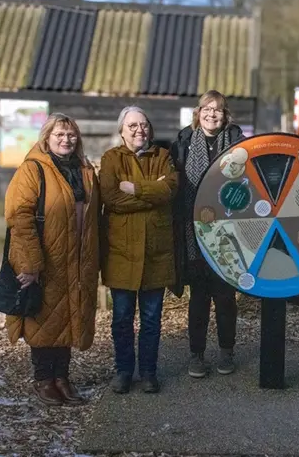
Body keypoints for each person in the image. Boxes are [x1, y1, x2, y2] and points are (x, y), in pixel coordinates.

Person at [3, 113, 100, 407]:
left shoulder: (85, 171)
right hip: (47, 259)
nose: (65, 140)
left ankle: (62, 378)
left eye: (71, 135)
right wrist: (30, 265)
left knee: (69, 317)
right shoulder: (33, 170)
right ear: (46, 138)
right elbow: (19, 218)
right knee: (44, 320)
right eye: (59, 134)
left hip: (77, 259)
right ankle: (44, 379)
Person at [100, 106, 178, 394]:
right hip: (121, 252)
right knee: (121, 318)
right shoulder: (111, 159)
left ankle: (148, 372)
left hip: (156, 253)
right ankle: (123, 371)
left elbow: (170, 190)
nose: (139, 130)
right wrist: (151, 193)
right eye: (132, 125)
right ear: (122, 130)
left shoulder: (163, 157)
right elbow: (112, 198)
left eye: (143, 125)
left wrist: (134, 189)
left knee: (151, 319)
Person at [170, 90, 246, 378]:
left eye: (218, 110)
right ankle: (196, 355)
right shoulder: (185, 141)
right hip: (194, 230)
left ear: (225, 115)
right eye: (207, 108)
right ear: (198, 112)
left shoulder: (237, 141)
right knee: (199, 298)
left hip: (228, 229)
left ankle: (227, 351)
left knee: (226, 297)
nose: (212, 114)